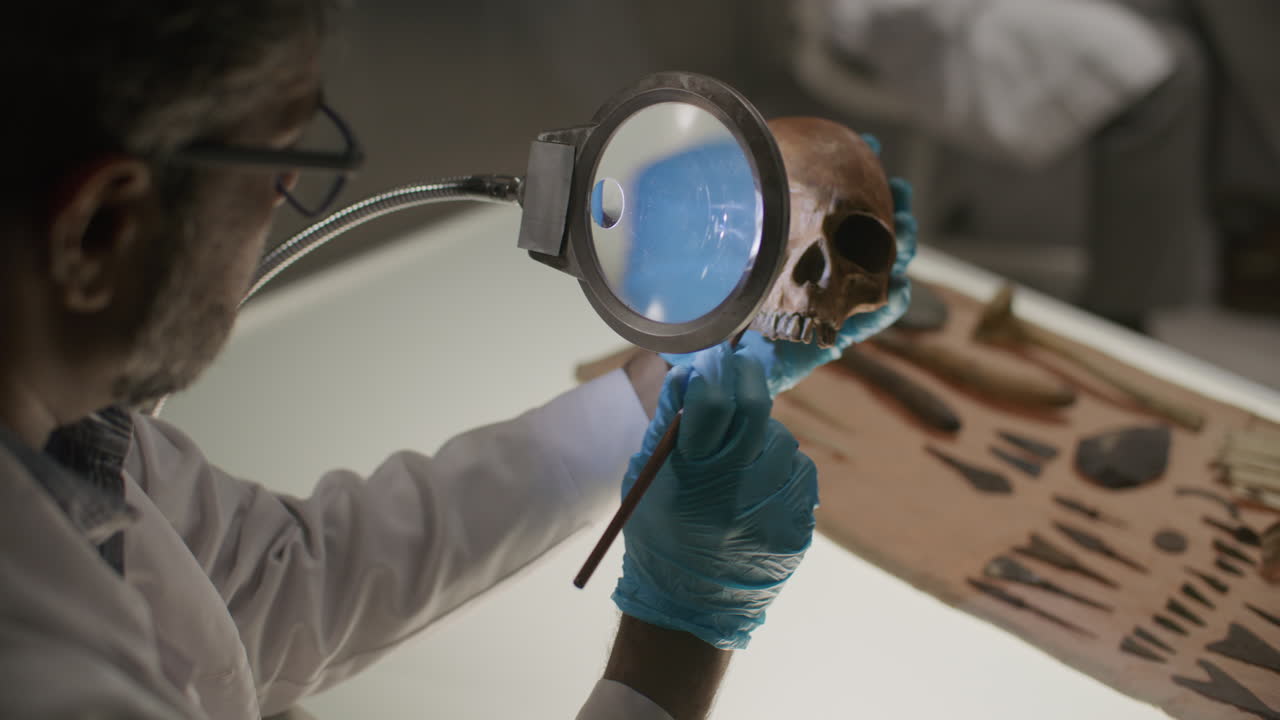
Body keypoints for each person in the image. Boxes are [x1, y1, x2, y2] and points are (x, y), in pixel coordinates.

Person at [0, 3, 914, 719]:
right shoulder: (45, 676)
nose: (286, 199)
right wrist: (676, 648)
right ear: (100, 230)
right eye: (280, 163)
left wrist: (654, 386)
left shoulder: (60, 435)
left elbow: (278, 582)